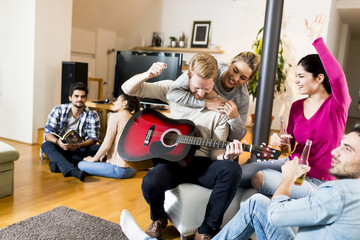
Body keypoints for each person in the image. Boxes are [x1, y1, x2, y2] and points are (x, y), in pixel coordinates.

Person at [120, 124, 360, 240]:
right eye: (341, 143)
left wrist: (288, 178)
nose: (336, 151)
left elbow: (277, 215)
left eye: (347, 149)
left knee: (239, 176)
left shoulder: (339, 194)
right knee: (256, 201)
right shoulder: (346, 192)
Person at [121, 53, 243, 239]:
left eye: (207, 89)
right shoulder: (173, 90)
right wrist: (147, 74)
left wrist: (226, 156)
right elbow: (128, 89)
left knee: (231, 169)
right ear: (187, 77)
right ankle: (159, 218)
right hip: (175, 160)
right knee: (150, 181)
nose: (201, 94)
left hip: (202, 164)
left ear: (214, 81)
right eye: (196, 88)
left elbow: (215, 152)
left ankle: (206, 230)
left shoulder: (220, 108)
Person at [240, 14, 352, 198]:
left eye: (301, 76)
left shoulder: (337, 105)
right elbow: (291, 143)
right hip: (289, 165)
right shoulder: (297, 106)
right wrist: (280, 140)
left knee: (260, 178)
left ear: (319, 78)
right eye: (296, 76)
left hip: (316, 180)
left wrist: (316, 39)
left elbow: (338, 77)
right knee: (240, 171)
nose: (296, 81)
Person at [166, 51, 260, 141]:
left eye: (243, 78)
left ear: (248, 80)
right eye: (235, 70)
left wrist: (235, 118)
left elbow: (237, 138)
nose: (235, 79)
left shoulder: (243, 98)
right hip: (188, 128)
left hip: (213, 139)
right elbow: (172, 93)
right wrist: (205, 103)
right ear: (230, 62)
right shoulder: (210, 68)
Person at [41, 82, 100, 181]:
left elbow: (93, 138)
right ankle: (72, 170)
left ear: (86, 98)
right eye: (76, 96)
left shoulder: (93, 114)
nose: (79, 99)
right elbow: (48, 134)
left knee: (98, 148)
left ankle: (59, 163)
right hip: (61, 146)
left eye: (82, 96)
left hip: (80, 148)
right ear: (70, 98)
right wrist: (58, 142)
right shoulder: (58, 110)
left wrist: (79, 145)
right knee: (46, 145)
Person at [77, 94, 140, 179]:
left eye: (117, 100)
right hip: (132, 169)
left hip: (119, 170)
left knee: (81, 164)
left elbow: (106, 144)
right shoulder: (134, 119)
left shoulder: (115, 116)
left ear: (124, 103)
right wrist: (105, 154)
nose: (114, 103)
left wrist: (93, 159)